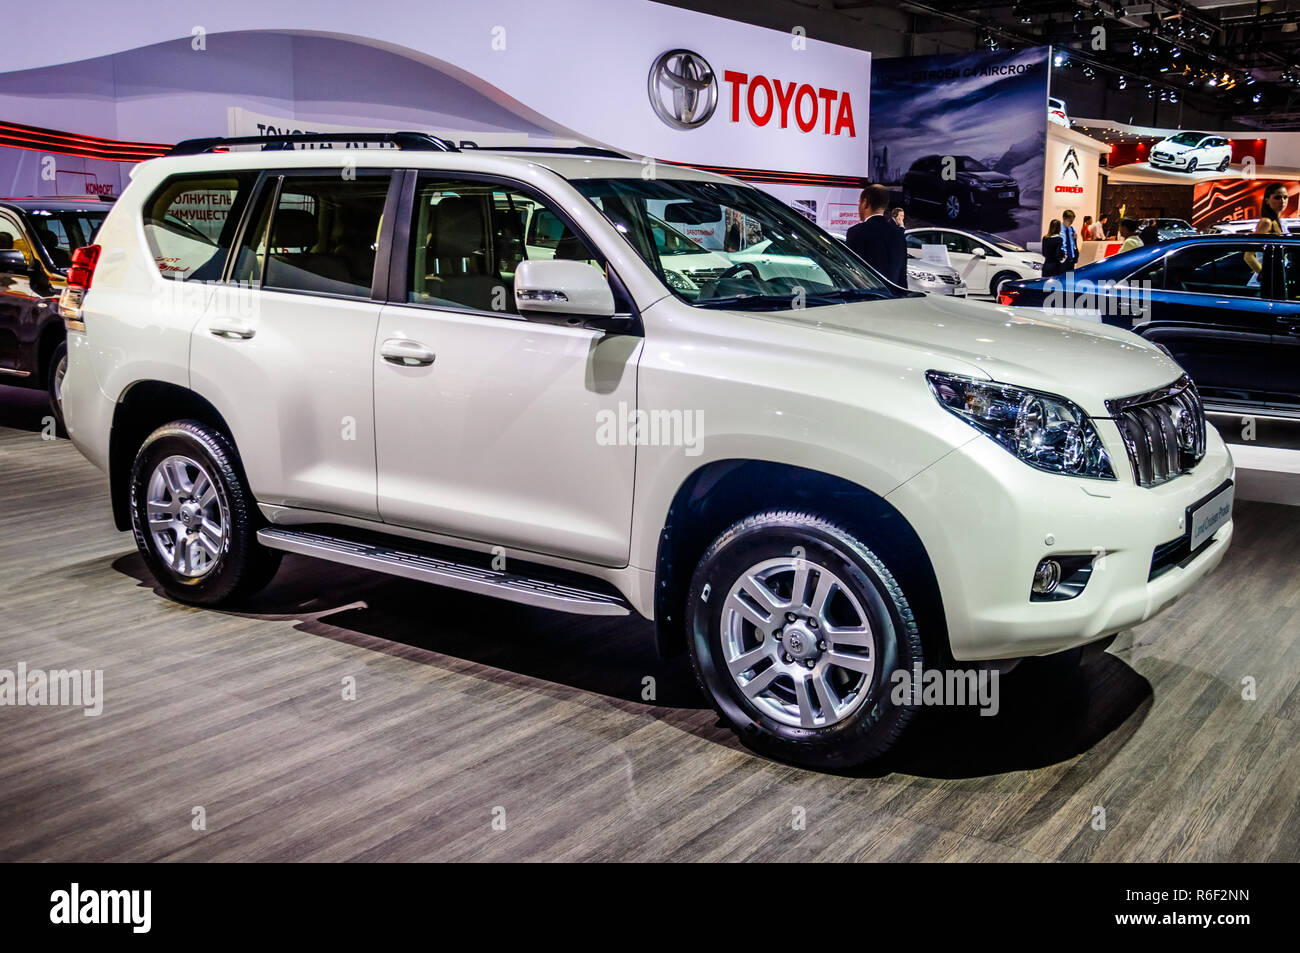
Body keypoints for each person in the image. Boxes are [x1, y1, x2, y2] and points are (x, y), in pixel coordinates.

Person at [846, 184, 907, 287]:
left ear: (865, 202)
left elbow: (851, 276)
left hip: (866, 299)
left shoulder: (856, 232)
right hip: (893, 300)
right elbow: (902, 280)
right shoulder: (899, 235)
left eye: (859, 202)